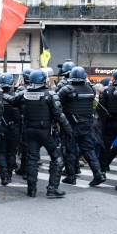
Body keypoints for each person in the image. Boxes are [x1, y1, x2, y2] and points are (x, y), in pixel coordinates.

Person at [12, 69, 72, 198]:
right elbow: (59, 115)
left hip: (30, 130)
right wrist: (68, 130)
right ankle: (52, 188)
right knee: (57, 158)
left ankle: (31, 189)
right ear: (43, 80)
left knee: (31, 159)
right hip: (45, 131)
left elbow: (13, 102)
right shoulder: (50, 95)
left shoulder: (24, 93)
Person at [57, 67, 106, 187]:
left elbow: (56, 102)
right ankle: (98, 173)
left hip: (70, 125)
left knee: (69, 151)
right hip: (86, 124)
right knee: (89, 149)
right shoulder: (91, 88)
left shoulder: (67, 89)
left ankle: (71, 177)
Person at [97, 68, 117, 173]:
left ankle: (102, 170)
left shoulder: (106, 90)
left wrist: (103, 123)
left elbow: (101, 109)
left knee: (105, 147)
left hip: (110, 122)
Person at [0, 73, 20, 185]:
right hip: (13, 128)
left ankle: (4, 176)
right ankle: (9, 175)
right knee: (11, 152)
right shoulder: (15, 96)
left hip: (0, 127)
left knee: (1, 152)